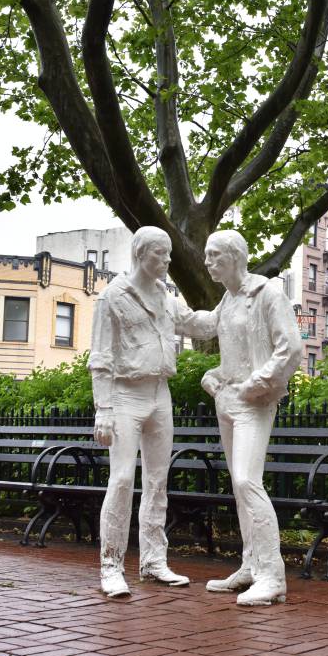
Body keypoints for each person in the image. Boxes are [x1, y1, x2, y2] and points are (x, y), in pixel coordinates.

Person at [88, 227, 212, 598]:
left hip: (160, 394)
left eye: (169, 254)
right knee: (123, 479)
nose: (168, 261)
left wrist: (233, 303)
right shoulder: (112, 298)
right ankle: (111, 565)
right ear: (142, 254)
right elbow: (100, 358)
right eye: (162, 254)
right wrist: (103, 408)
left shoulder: (165, 296)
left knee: (158, 481)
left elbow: (194, 323)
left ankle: (154, 561)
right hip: (125, 395)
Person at [192, 230, 302, 606]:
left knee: (246, 481)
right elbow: (207, 326)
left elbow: (291, 348)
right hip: (228, 401)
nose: (207, 263)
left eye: (213, 255)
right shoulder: (228, 299)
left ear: (234, 256)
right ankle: (251, 565)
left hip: (254, 401)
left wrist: (255, 384)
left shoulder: (267, 293)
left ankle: (273, 576)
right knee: (239, 489)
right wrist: (160, 308)